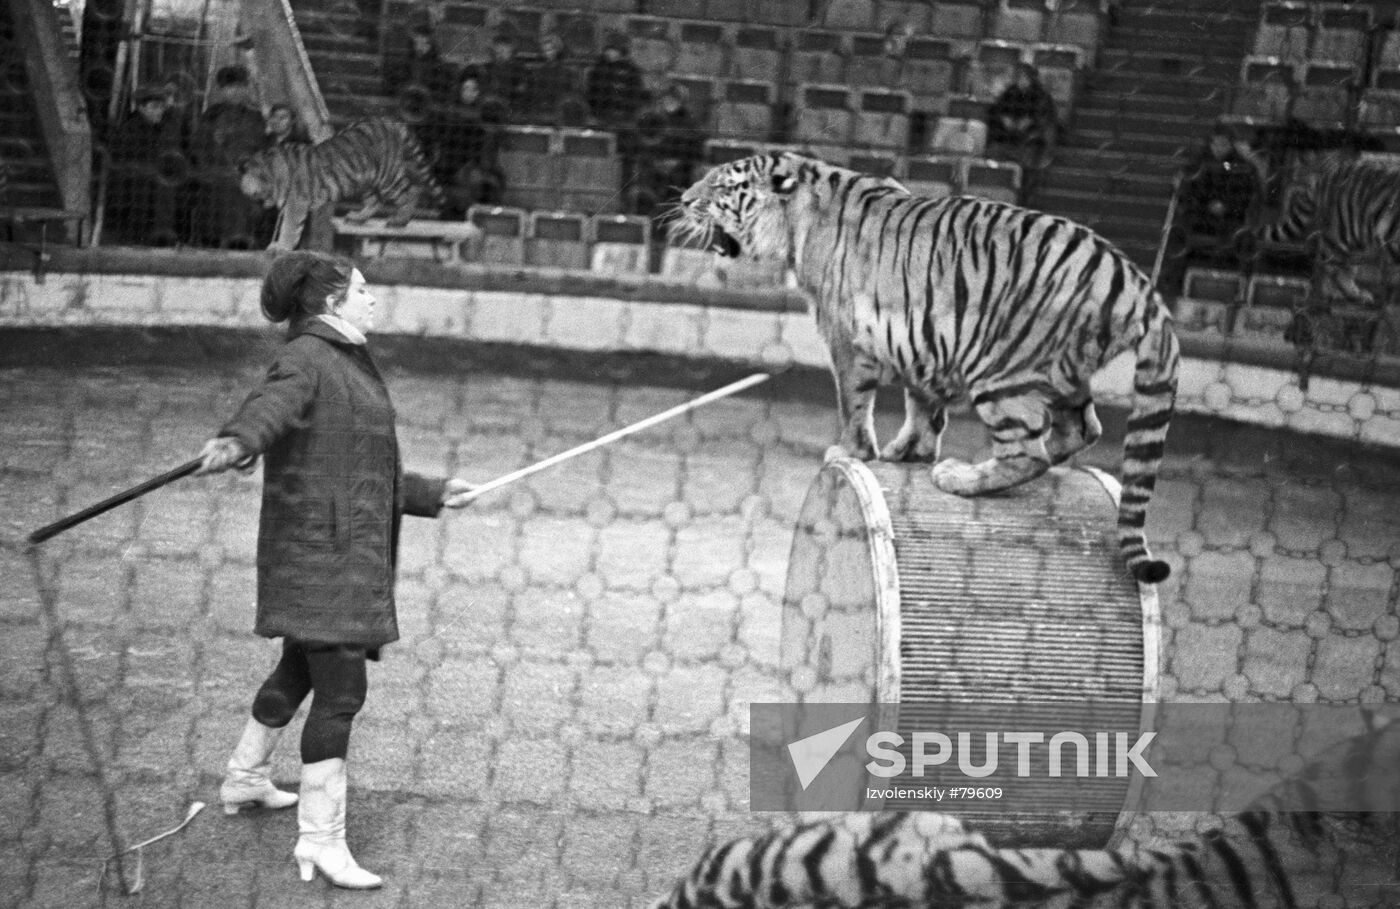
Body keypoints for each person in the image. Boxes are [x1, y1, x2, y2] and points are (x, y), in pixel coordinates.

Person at [199, 251, 477, 890]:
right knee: (342, 692)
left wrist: (431, 493)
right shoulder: (308, 357)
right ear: (329, 303)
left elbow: (355, 466)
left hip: (333, 552)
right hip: (323, 557)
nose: (373, 299)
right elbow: (272, 403)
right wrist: (238, 439)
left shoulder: (342, 358)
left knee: (300, 666)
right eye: (362, 290)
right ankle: (321, 841)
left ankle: (244, 777)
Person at [189, 64, 267, 248]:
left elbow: (262, 148)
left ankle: (239, 238)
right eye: (230, 88)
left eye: (240, 87)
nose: (235, 92)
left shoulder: (256, 117)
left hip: (247, 172)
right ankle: (221, 238)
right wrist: (208, 166)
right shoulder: (210, 116)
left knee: (241, 186)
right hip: (214, 171)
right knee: (220, 187)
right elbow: (198, 147)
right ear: (222, 90)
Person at [105, 84, 186, 245]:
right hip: (138, 191)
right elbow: (121, 164)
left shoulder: (167, 128)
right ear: (141, 108)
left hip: (163, 189)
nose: (159, 111)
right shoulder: (129, 130)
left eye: (162, 107)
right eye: (154, 107)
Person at [628, 82, 706, 217]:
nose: (670, 102)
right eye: (668, 98)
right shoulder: (653, 118)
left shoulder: (690, 123)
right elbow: (643, 142)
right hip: (653, 165)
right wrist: (655, 161)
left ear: (681, 102)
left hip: (680, 169)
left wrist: (678, 161)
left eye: (674, 99)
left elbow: (695, 149)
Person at [986, 63, 1058, 203]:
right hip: (1008, 135)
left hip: (1031, 138)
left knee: (1027, 157)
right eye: (1018, 77)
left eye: (1024, 77)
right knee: (994, 148)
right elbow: (997, 110)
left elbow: (1044, 117)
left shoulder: (1041, 95)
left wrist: (1030, 122)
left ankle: (1023, 195)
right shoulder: (1010, 92)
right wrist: (1004, 119)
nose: (1021, 80)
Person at [521, 30, 587, 126]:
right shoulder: (536, 70)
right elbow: (530, 92)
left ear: (557, 50)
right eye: (545, 50)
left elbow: (574, 93)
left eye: (551, 49)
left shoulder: (568, 71)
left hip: (561, 110)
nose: (547, 53)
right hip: (539, 109)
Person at [586, 30, 646, 130]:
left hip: (623, 120)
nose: (609, 52)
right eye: (608, 49)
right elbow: (591, 91)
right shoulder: (598, 67)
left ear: (621, 51)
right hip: (600, 117)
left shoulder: (631, 70)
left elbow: (635, 95)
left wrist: (629, 115)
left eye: (613, 49)